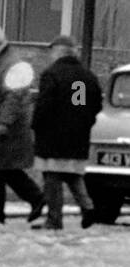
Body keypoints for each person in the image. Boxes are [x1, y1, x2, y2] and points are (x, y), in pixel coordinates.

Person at [0, 23, 45, 224]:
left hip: (6, 126)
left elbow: (14, 96)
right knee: (1, 169)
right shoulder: (0, 63)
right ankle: (5, 208)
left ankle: (3, 210)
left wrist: (4, 122)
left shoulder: (9, 64)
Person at [31, 34, 103, 230]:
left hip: (53, 136)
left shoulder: (52, 74)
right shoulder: (86, 76)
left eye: (52, 51)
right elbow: (94, 104)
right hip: (78, 134)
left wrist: (36, 125)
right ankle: (87, 208)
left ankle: (54, 220)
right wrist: (85, 121)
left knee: (52, 177)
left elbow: (44, 105)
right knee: (73, 174)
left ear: (59, 52)